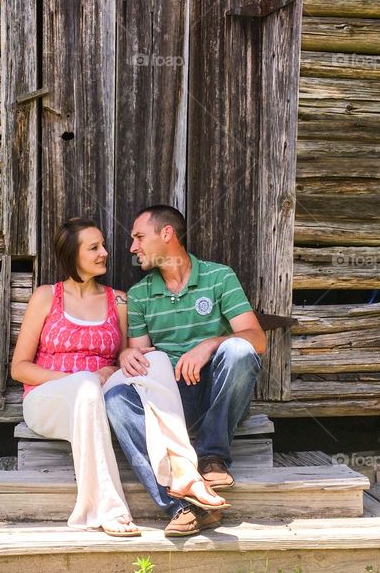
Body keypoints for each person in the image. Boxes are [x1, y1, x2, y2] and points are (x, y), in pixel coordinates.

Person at [11, 217, 226, 538]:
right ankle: (107, 509)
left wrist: (125, 357)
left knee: (153, 360)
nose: (105, 253)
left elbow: (128, 356)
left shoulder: (120, 300)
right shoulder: (46, 297)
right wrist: (81, 377)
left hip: (99, 393)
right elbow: (20, 367)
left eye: (103, 246)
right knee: (84, 386)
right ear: (72, 254)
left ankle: (183, 468)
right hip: (48, 397)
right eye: (94, 247)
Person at [105, 205, 267, 534]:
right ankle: (183, 505)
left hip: (218, 394)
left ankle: (212, 457)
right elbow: (142, 359)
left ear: (167, 234)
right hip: (171, 400)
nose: (132, 247)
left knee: (238, 350)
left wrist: (209, 345)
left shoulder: (219, 277)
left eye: (139, 237)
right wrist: (126, 356)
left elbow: (257, 339)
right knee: (117, 400)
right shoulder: (140, 295)